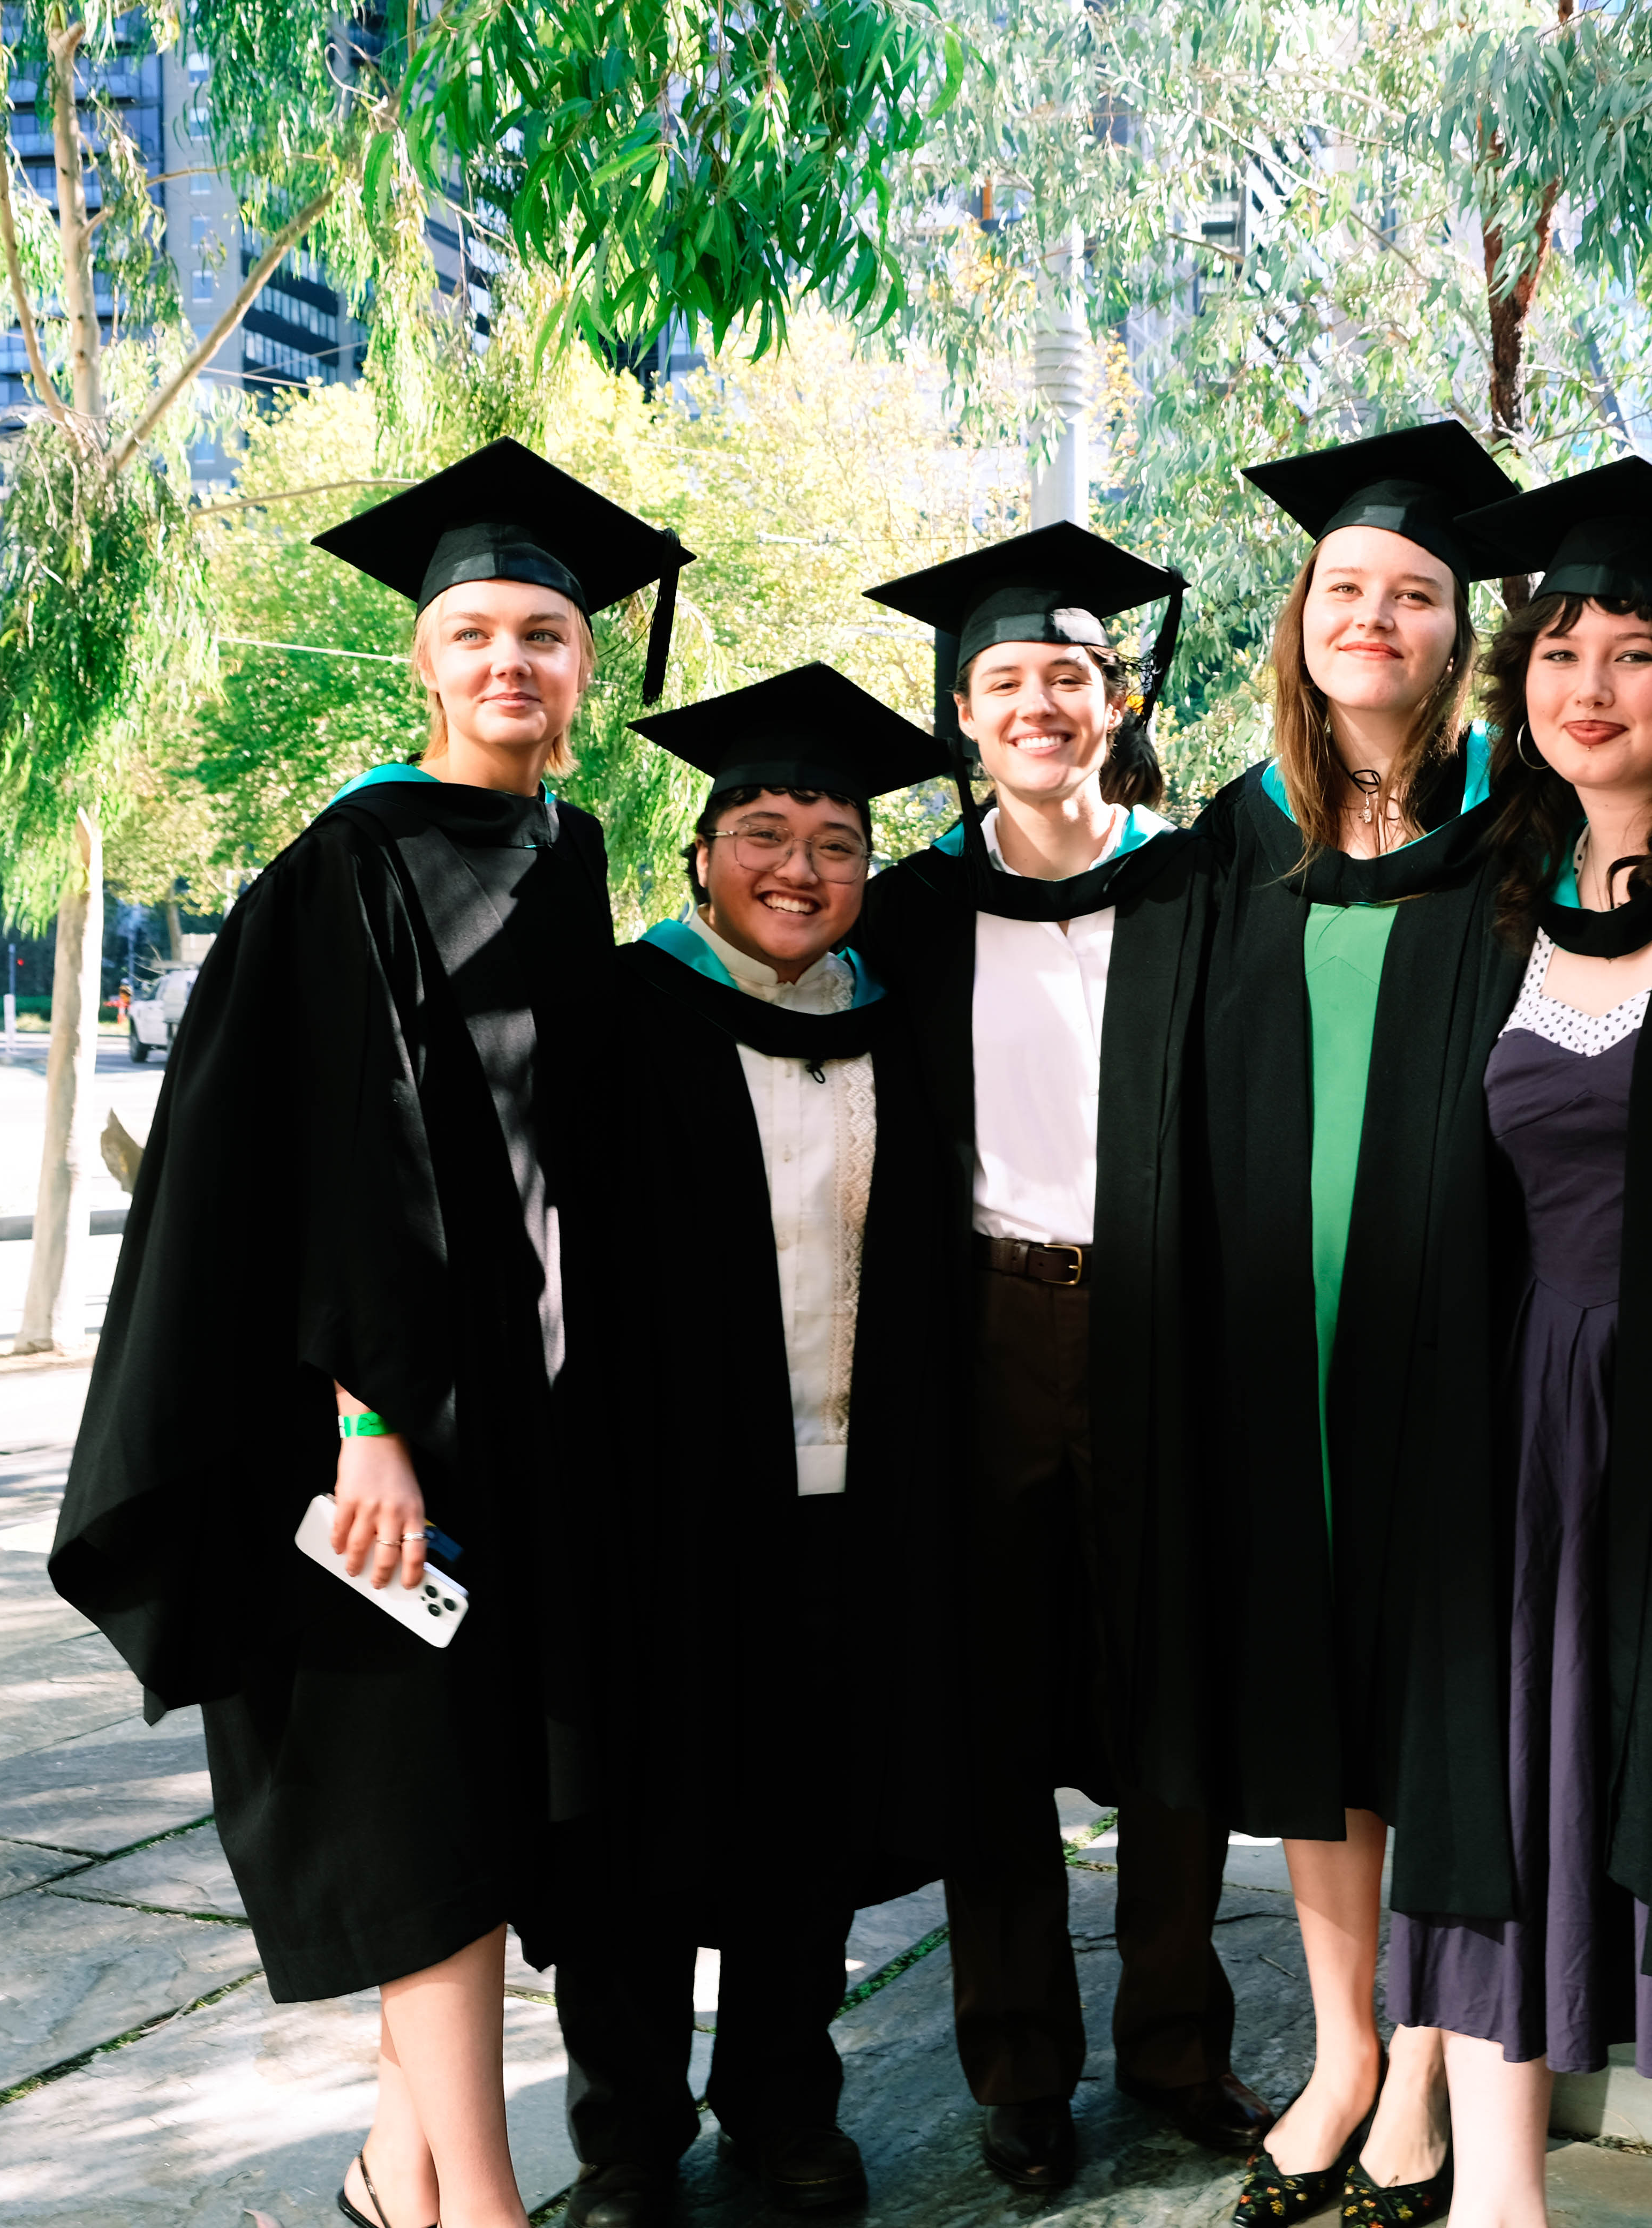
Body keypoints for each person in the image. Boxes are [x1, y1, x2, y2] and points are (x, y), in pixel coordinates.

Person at [49, 440, 689, 2228]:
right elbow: (335, 1168)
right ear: (421, 656)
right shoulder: (354, 865)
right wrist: (368, 1422)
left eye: (547, 635)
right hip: (396, 1437)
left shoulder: (564, 854)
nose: (513, 664)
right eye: (477, 630)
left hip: (538, 1426)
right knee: (430, 1835)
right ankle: (479, 2209)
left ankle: (396, 2174)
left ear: (584, 667)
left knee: (490, 1810)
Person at [1361, 459, 1652, 2228]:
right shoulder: (1498, 877)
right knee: (1501, 1774)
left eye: (1636, 653)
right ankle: (1500, 2189)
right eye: (1561, 650)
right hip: (1524, 1407)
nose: (1591, 685)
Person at [857, 526, 1277, 2189]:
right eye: (1009, 681)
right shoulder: (905, 910)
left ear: (1118, 700)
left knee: (1173, 1690)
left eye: (1071, 678)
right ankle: (1019, 2067)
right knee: (988, 1705)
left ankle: (1179, 2048)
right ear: (965, 713)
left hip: (1162, 1322)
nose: (1042, 704)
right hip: (975, 1327)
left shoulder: (1201, 887)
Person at [545, 663, 970, 2228]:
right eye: (766, 833)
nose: (801, 869)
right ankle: (625, 2139)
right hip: (655, 1502)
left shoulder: (894, 1028)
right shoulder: (619, 1012)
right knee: (644, 1823)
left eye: (839, 842)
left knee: (802, 1815)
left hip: (840, 1495)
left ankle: (789, 2101)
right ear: (703, 854)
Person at [1196, 420, 1523, 2228]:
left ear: (1455, 629)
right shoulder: (1234, 843)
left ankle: (1422, 2075)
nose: (1374, 614)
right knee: (1316, 1723)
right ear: (1302, 615)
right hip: (1278, 1362)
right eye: (1346, 587)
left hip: (1459, 1353)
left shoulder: (1521, 825)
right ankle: (1339, 2043)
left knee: (1435, 1713)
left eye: (1412, 592)